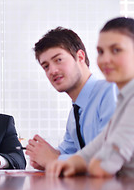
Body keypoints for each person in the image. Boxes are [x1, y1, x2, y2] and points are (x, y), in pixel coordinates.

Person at [47, 17, 134, 178]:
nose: (105, 59)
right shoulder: (125, 98)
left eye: (116, 50)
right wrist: (72, 162)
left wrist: (81, 163)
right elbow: (100, 144)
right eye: (101, 52)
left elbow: (103, 166)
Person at [26, 27, 117, 170]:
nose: (52, 70)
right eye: (46, 66)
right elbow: (68, 151)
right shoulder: (75, 112)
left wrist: (55, 159)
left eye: (59, 60)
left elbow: (111, 157)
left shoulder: (110, 92)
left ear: (80, 57)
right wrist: (44, 157)